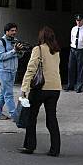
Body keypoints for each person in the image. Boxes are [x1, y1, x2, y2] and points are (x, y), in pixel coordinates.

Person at [18, 26, 62, 157]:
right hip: (55, 88)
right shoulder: (56, 51)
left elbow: (31, 69)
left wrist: (24, 88)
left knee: (31, 117)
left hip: (40, 88)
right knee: (51, 119)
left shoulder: (38, 49)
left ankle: (30, 146)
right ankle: (55, 149)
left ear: (41, 37)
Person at [0, 23, 24, 120]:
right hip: (3, 71)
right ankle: (15, 116)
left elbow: (20, 56)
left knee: (4, 92)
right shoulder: (1, 42)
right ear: (7, 31)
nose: (14, 32)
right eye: (12, 31)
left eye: (15, 30)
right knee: (9, 94)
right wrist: (14, 51)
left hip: (12, 70)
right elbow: (1, 57)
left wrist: (20, 51)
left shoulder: (15, 41)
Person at [66, 14, 83, 93]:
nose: (78, 22)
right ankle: (70, 85)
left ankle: (79, 86)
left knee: (80, 69)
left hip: (81, 50)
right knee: (70, 67)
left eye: (80, 20)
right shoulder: (73, 29)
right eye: (77, 20)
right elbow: (72, 39)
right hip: (73, 49)